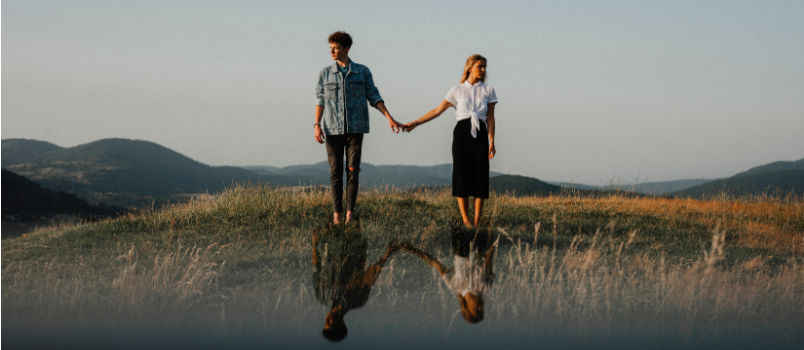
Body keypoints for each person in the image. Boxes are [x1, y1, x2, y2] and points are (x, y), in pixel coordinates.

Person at [314, 31, 403, 224]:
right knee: (335, 171)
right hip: (331, 129)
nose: (332, 51)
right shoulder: (325, 74)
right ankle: (337, 215)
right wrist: (316, 124)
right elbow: (320, 100)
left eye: (336, 47)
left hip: (356, 129)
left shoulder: (363, 72)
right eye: (330, 47)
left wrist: (389, 117)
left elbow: (374, 96)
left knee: (353, 170)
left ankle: (350, 214)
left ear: (346, 48)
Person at [403, 54, 497, 228]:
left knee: (480, 176)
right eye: (480, 66)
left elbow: (490, 117)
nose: (483, 70)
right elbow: (437, 110)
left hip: (481, 133)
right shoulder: (457, 90)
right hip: (462, 133)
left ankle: (477, 222)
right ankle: (466, 220)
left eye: (485, 67)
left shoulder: (488, 90)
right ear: (470, 67)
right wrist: (416, 122)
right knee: (461, 174)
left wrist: (492, 140)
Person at [312, 224, 400, 342]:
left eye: (325, 323)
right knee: (352, 218)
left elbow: (316, 267)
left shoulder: (322, 296)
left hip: (331, 244)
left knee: (335, 215)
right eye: (329, 323)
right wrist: (387, 254)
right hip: (355, 248)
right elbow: (370, 276)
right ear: (340, 323)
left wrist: (315, 243)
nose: (326, 320)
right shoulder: (357, 300)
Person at [397, 227, 497, 324]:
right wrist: (491, 232)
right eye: (482, 311)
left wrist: (412, 249)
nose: (481, 307)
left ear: (467, 308)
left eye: (477, 311)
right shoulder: (486, 287)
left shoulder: (454, 286)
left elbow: (434, 263)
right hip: (480, 247)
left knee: (458, 218)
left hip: (461, 248)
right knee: (481, 218)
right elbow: (489, 257)